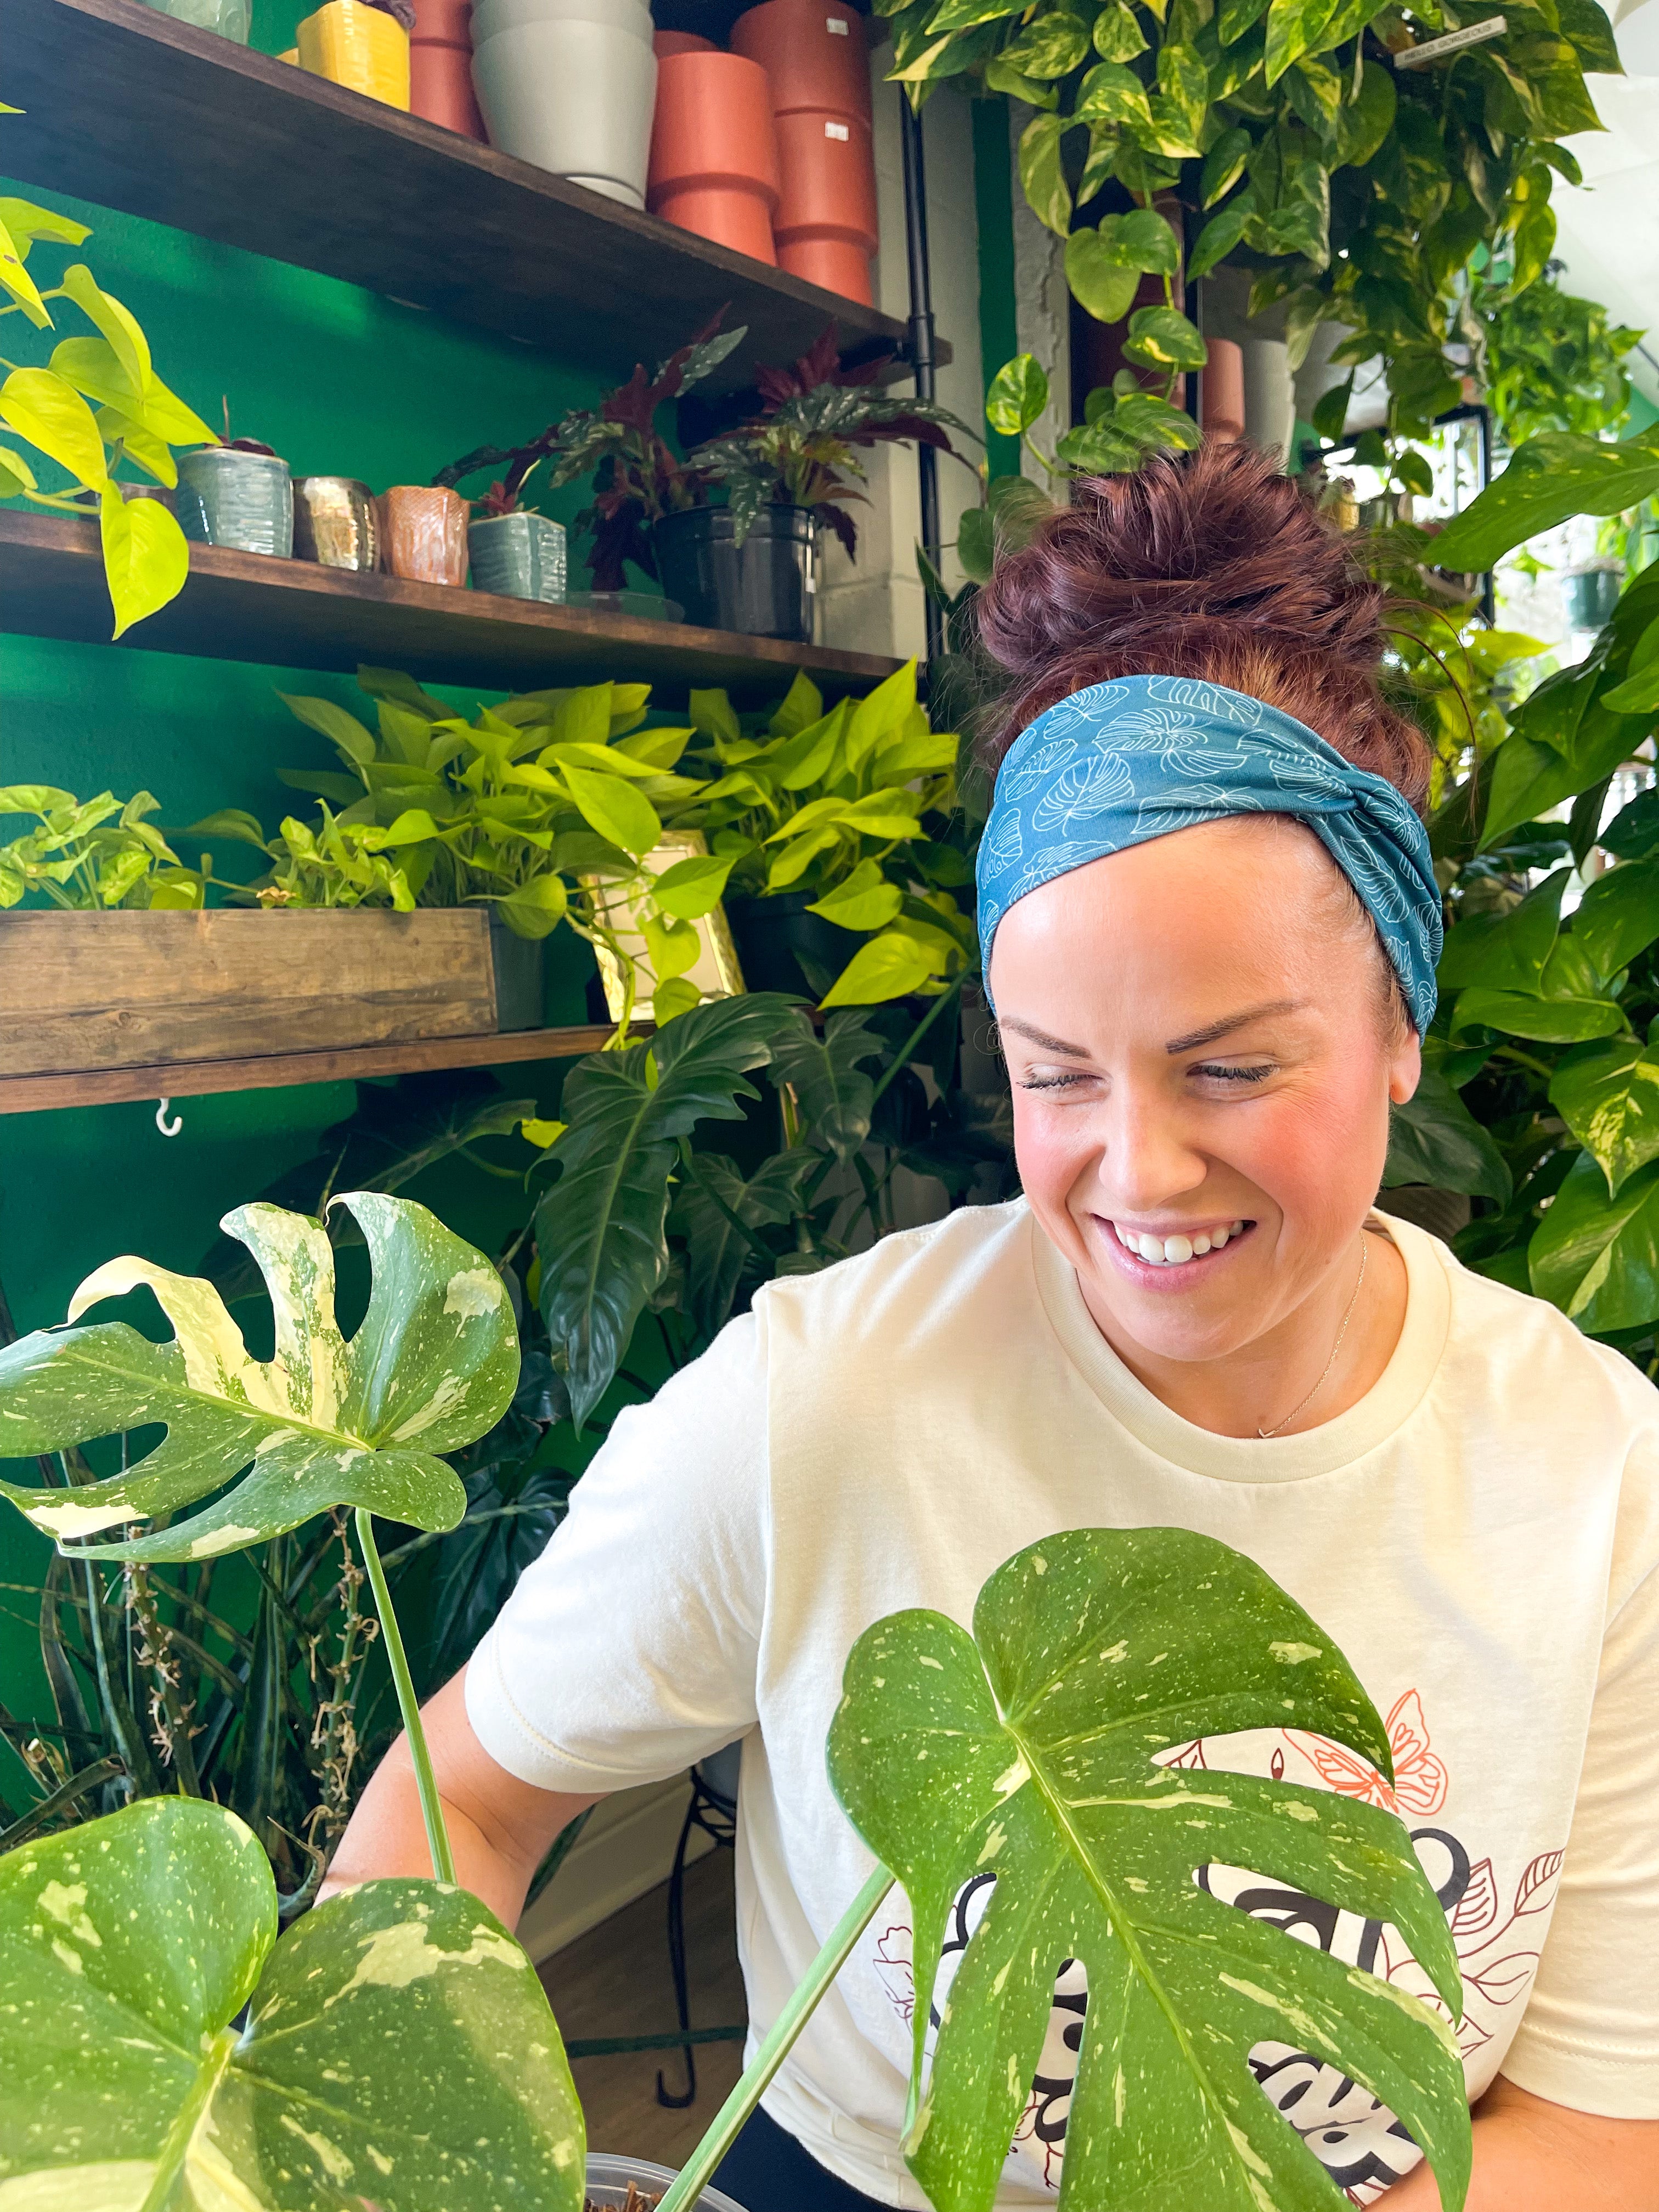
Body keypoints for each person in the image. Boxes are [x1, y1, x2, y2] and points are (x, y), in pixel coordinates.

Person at [324, 444, 1659, 2210]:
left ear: (1403, 1024)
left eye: (1234, 1066)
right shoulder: (828, 1407)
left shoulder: (1596, 1474)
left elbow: (1603, 2116)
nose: (1140, 1170)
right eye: (1056, 1076)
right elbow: (466, 1801)